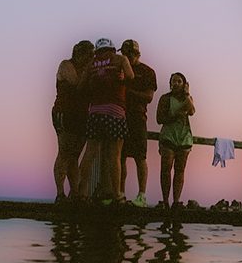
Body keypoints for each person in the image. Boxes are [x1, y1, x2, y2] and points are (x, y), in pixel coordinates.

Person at [76, 38, 134, 204]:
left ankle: (81, 193)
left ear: (97, 50)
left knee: (90, 153)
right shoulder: (120, 59)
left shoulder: (92, 64)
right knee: (114, 155)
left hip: (95, 112)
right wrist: (120, 80)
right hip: (115, 111)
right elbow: (130, 77)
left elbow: (80, 87)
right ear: (112, 48)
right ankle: (117, 195)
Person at [52, 40, 94, 203]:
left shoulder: (88, 70)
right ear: (79, 54)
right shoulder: (66, 65)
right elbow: (77, 84)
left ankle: (75, 193)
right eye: (89, 55)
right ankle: (60, 193)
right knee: (64, 152)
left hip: (82, 115)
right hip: (65, 113)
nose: (91, 58)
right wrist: (90, 71)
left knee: (75, 155)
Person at [118, 39, 157, 207]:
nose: (126, 56)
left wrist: (128, 92)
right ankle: (120, 194)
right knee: (120, 157)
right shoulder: (119, 69)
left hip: (138, 118)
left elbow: (148, 97)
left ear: (136, 54)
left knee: (140, 157)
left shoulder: (148, 72)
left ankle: (142, 195)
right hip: (119, 117)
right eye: (123, 53)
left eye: (129, 54)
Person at [156, 72, 195, 209]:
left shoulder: (188, 98)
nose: (176, 83)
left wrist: (187, 93)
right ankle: (165, 201)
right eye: (174, 81)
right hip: (168, 137)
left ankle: (176, 202)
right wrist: (175, 115)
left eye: (179, 81)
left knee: (180, 170)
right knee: (166, 169)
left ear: (184, 84)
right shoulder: (165, 98)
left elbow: (191, 111)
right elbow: (159, 119)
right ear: (170, 83)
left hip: (184, 138)